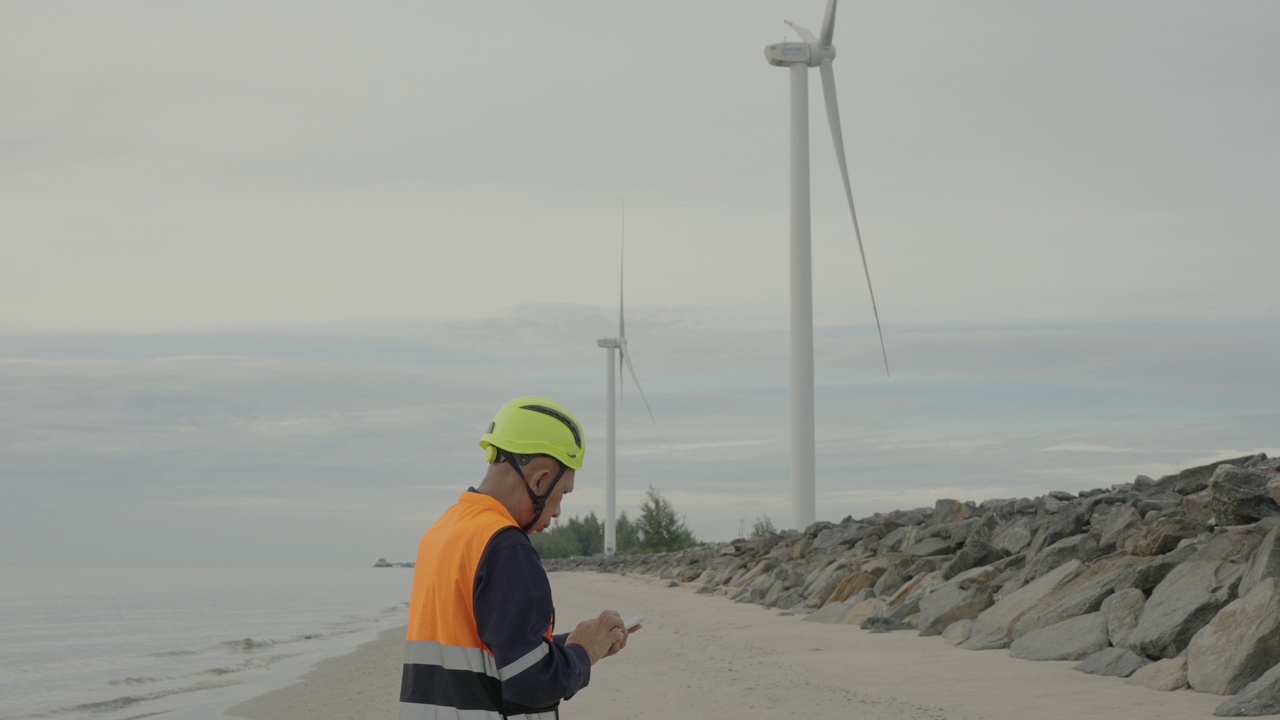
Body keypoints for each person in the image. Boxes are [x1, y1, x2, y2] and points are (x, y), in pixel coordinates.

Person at [399, 396, 631, 720]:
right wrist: (584, 653)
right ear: (540, 481)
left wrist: (576, 643)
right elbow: (530, 684)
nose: (559, 511)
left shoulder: (441, 533)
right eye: (562, 493)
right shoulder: (507, 548)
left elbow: (486, 653)